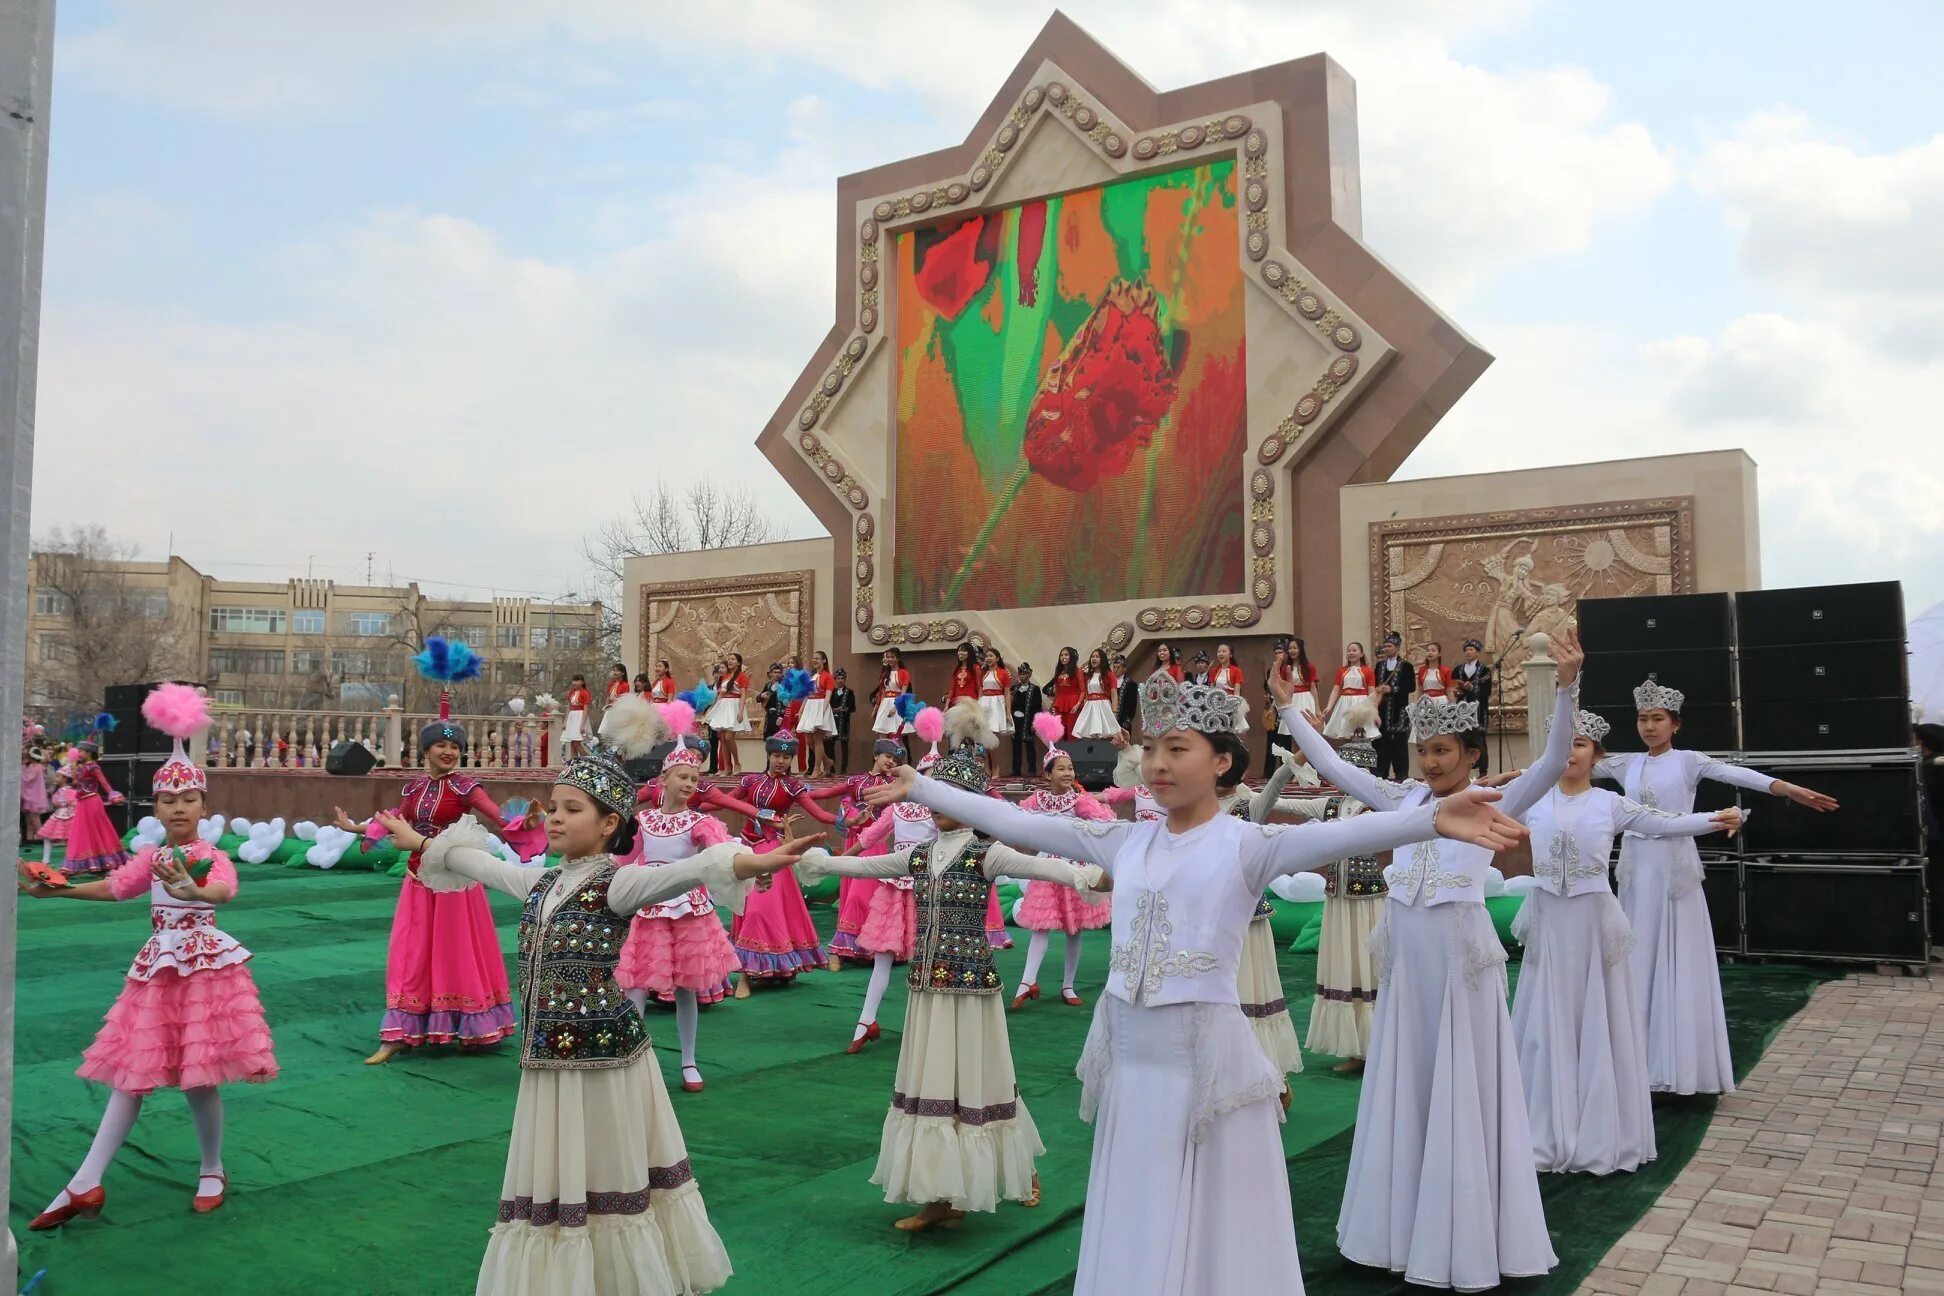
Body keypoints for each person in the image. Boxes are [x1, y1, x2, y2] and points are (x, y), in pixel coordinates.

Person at [867, 672, 1530, 1295]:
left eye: (1176, 748)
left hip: (1203, 1069)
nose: (1157, 762)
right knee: (1136, 1203)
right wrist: (923, 789)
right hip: (1132, 1065)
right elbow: (1027, 825)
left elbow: (1352, 831)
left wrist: (1430, 819)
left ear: (1220, 761)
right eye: (1150, 748)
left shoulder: (1247, 845)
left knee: (1215, 1223)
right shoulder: (1124, 844)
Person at [396, 704, 821, 1296]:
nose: (556, 818)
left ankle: (622, 1277)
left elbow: (694, 868)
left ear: (608, 825)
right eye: (553, 808)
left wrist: (752, 859)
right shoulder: (539, 880)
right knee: (558, 1167)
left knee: (608, 1162)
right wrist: (419, 839)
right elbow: (476, 862)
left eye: (573, 810)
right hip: (546, 1057)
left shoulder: (617, 883)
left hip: (606, 1058)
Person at [1277, 630, 1583, 1289]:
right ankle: (1398, 1226)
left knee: (1460, 1085)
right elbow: (1335, 768)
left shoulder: (1496, 799)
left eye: (1443, 749)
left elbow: (1553, 760)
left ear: (1471, 753)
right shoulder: (1404, 802)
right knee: (1408, 1081)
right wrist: (1286, 714)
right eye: (1423, 748)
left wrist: (1567, 689)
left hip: (1459, 965)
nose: (1431, 760)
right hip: (1408, 965)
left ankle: (1466, 1234)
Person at [799, 702, 1101, 1230]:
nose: (937, 808)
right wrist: (820, 861)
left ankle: (1017, 1167)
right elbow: (868, 864)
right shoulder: (921, 855)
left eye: (950, 799)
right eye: (934, 797)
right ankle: (942, 1197)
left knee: (983, 1079)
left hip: (972, 987)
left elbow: (1042, 864)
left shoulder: (986, 852)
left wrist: (1091, 876)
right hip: (927, 986)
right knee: (932, 1082)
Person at [21, 684, 276, 1229]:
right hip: (158, 973)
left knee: (200, 1078)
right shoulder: (151, 856)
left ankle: (212, 1168)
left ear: (204, 806)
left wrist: (194, 890)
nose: (179, 807)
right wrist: (56, 890)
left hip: (205, 973)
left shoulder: (209, 857)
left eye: (188, 799)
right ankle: (85, 1183)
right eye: (168, 800)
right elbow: (114, 888)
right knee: (131, 1076)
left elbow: (224, 892)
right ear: (155, 806)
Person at [1511, 707, 1743, 1175]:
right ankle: (1537, 1122)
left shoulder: (1610, 805)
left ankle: (1598, 1127)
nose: (1571, 753)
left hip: (1593, 923)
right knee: (1543, 1019)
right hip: (1549, 923)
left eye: (1581, 745)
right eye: (1566, 744)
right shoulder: (1531, 801)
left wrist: (1718, 819)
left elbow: (1667, 823)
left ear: (1596, 756)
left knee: (1597, 1014)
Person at [1593, 679, 1838, 1095]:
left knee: (1676, 952)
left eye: (1657, 719)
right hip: (1637, 868)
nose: (1649, 727)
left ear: (1675, 724)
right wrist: (1504, 779)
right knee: (1637, 953)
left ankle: (1677, 1064)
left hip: (1673, 867)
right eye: (1643, 719)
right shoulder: (1625, 763)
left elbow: (1736, 773)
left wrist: (1787, 789)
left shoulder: (1688, 761)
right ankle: (1632, 1059)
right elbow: (1565, 765)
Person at [334, 676, 544, 1064]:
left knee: (455, 953)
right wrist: (358, 828)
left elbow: (500, 817)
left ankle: (468, 1025)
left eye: (454, 746)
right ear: (426, 749)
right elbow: (394, 820)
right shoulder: (412, 789)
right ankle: (401, 1031)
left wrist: (525, 825)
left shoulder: (466, 787)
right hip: (417, 882)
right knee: (411, 953)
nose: (448, 752)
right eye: (441, 745)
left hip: (454, 884)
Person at [615, 710, 747, 1095]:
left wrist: (749, 867)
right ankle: (632, 1058)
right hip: (649, 910)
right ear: (664, 779)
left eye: (694, 779)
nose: (690, 784)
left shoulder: (700, 823)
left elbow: (723, 855)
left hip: (688, 911)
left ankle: (689, 1060)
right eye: (684, 777)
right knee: (636, 985)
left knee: (688, 988)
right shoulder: (643, 821)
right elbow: (622, 859)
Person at [1260, 738, 1385, 1071]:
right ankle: (1357, 1048)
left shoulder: (1378, 804)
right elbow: (1292, 807)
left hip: (1368, 899)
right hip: (1339, 899)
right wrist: (1254, 798)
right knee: (1345, 963)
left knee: (1367, 964)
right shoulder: (1332, 804)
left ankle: (1379, 1046)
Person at [727, 729, 838, 994]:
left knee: (761, 909)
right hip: (747, 850)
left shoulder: (793, 786)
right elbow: (724, 801)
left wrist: (844, 821)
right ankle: (748, 971)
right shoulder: (750, 781)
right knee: (746, 908)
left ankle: (749, 974)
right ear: (769, 755)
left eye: (786, 757)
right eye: (776, 755)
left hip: (775, 851)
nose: (780, 761)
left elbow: (819, 813)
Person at [1010, 730, 1115, 1009]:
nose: (1068, 773)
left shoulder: (1079, 800)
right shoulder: (1037, 800)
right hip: (1047, 869)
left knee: (1074, 929)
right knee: (1041, 927)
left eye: (1070, 768)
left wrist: (1088, 826)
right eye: (1061, 769)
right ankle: (1027, 981)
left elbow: (1106, 821)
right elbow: (1016, 816)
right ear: (1048, 775)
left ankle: (1068, 986)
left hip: (1074, 870)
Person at [826, 739, 905, 970]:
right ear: (876, 756)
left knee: (863, 896)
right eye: (888, 756)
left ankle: (851, 948)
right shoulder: (856, 781)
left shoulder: (894, 785)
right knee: (850, 892)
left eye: (896, 760)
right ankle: (848, 948)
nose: (891, 761)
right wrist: (851, 817)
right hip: (853, 839)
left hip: (875, 844)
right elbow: (842, 805)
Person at [1372, 631, 1417, 779]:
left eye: (1389, 646)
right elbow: (1374, 684)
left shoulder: (1406, 666)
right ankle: (1381, 775)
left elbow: (1411, 686)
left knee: (1400, 745)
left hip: (1399, 711)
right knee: (1381, 744)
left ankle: (1401, 775)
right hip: (1382, 711)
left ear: (1397, 647)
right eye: (1385, 646)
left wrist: (1392, 689)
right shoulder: (1379, 666)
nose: (1386, 649)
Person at [1321, 641, 1379, 740]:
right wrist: (1329, 706)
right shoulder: (1342, 671)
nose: (1351, 653)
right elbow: (1336, 689)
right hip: (1344, 703)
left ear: (1361, 654)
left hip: (1361, 704)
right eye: (1349, 651)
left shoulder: (1368, 671)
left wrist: (1374, 711)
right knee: (1345, 733)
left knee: (1360, 733)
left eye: (1354, 650)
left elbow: (1372, 692)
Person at [1452, 639, 1494, 776]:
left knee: (1479, 739)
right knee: (1461, 738)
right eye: (1466, 650)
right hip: (1461, 709)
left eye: (1471, 650)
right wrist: (1458, 690)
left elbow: (1487, 691)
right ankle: (1462, 769)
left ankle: (1483, 771)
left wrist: (1473, 688)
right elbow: (1452, 686)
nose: (1468, 652)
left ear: (1477, 653)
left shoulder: (1485, 670)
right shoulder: (1458, 669)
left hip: (1478, 709)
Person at [706, 653, 751, 776]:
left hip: (734, 706)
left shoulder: (742, 676)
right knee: (722, 739)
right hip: (723, 707)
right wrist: (713, 709)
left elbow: (743, 695)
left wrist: (741, 711)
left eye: (733, 659)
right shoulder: (725, 676)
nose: (730, 661)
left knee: (729, 737)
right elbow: (721, 694)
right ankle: (727, 767)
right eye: (729, 659)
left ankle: (736, 763)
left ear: (738, 663)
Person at [797, 650, 839, 778]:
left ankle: (817, 769)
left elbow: (828, 696)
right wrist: (801, 710)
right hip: (810, 706)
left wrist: (822, 712)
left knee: (818, 740)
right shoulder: (811, 677)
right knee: (809, 741)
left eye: (817, 658)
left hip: (820, 707)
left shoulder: (827, 676)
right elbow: (806, 695)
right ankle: (827, 761)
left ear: (824, 660)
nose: (814, 660)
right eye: (813, 658)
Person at [870, 648, 915, 756]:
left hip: (897, 703)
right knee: (882, 736)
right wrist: (875, 709)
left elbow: (903, 693)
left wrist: (896, 707)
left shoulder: (904, 673)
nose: (889, 659)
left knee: (897, 737)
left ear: (898, 658)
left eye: (892, 657)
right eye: (888, 657)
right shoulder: (885, 673)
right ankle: (884, 763)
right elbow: (882, 693)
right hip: (884, 704)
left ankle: (900, 763)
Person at [1073, 648, 1121, 741]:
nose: (1094, 659)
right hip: (1090, 706)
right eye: (1092, 657)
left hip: (1104, 706)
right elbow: (1086, 693)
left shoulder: (1109, 675)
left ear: (1102, 659)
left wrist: (1114, 712)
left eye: (1097, 657)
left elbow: (1114, 694)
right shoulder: (1088, 676)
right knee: (1088, 734)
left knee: (1104, 734)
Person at [1009, 662, 1044, 776]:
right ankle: (1016, 771)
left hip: (1028, 721)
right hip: (1016, 720)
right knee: (1016, 747)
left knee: (1030, 746)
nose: (1022, 676)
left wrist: (1035, 723)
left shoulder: (1035, 689)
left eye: (1024, 674)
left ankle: (1032, 770)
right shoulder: (1014, 688)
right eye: (1021, 674)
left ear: (1029, 675)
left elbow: (1038, 707)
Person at [977, 647, 1014, 744]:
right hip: (984, 702)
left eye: (991, 656)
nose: (988, 658)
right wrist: (976, 707)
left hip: (997, 703)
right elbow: (980, 692)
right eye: (986, 656)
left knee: (993, 730)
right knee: (982, 731)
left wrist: (1008, 712)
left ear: (997, 658)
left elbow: (1007, 694)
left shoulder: (1004, 673)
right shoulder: (983, 673)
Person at [1209, 642, 1248, 732]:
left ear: (1230, 654)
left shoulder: (1236, 670)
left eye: (1223, 651)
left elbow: (1237, 692)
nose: (1220, 654)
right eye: (1219, 651)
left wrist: (1234, 705)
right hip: (1216, 703)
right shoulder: (1214, 670)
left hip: (1230, 703)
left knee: (1230, 728)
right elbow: (1211, 689)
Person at [1047, 646, 1085, 738]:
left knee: (1071, 732)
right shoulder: (1059, 671)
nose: (1063, 657)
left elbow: (1083, 691)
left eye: (1066, 655)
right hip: (1059, 705)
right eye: (1061, 655)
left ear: (1071, 657)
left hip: (1073, 705)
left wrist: (1078, 704)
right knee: (1059, 733)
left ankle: (1073, 752)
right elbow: (1057, 691)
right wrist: (1054, 705)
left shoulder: (1078, 671)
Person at [20, 729, 50, 841]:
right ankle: (30, 838)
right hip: (30, 797)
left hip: (34, 797)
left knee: (34, 819)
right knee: (28, 819)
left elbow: (29, 778)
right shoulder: (33, 766)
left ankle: (42, 837)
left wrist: (22, 769)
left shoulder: (37, 767)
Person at [827, 667, 857, 773]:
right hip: (832, 721)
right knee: (830, 745)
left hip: (843, 721)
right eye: (838, 678)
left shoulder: (849, 692)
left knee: (844, 745)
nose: (840, 680)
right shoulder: (832, 692)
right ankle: (832, 768)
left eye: (842, 678)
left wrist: (844, 709)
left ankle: (844, 769)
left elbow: (852, 708)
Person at [563, 673, 593, 761]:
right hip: (572, 717)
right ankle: (574, 763)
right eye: (573, 681)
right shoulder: (571, 693)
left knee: (577, 742)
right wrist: (565, 722)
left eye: (576, 681)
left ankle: (587, 760)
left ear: (582, 682)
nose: (574, 683)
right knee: (572, 743)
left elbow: (586, 708)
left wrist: (582, 725)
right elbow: (569, 707)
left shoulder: (585, 693)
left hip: (580, 716)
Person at [1111, 653, 1139, 740]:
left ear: (1124, 669)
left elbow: (1132, 704)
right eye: (1114, 667)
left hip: (1123, 720)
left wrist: (1127, 720)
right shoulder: (1109, 683)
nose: (1115, 670)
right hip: (1109, 718)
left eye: (1118, 667)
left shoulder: (1131, 684)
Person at [945, 642, 980, 710]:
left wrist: (979, 702)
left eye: (964, 650)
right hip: (957, 702)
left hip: (971, 702)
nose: (960, 653)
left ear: (970, 653)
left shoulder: (975, 667)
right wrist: (947, 704)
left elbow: (979, 687)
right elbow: (952, 688)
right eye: (959, 650)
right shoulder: (956, 668)